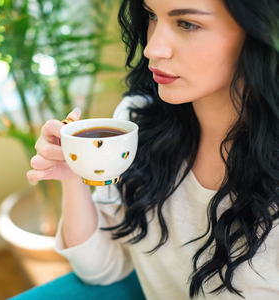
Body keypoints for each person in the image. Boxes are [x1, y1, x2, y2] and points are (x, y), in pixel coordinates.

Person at [26, 0, 279, 298]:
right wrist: (74, 173)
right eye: (150, 16)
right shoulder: (136, 123)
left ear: (258, 32)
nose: (152, 48)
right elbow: (102, 267)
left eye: (187, 24)